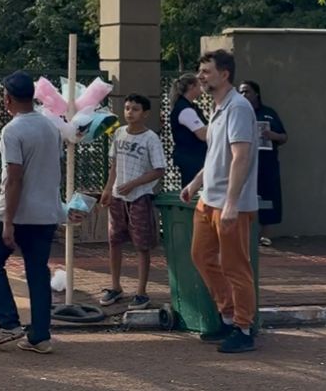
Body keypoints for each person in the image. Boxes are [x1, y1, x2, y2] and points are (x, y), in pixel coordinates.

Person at [0, 71, 68, 354]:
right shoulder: (51, 127)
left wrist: (8, 222)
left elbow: (14, 177)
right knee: (37, 272)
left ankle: (8, 322)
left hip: (17, 211)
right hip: (45, 212)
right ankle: (40, 335)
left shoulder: (12, 131)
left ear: (7, 99)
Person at [181, 49, 260, 354]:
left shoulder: (238, 108)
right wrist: (195, 183)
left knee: (235, 266)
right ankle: (227, 317)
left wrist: (232, 202)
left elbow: (240, 157)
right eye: (200, 71)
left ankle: (243, 327)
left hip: (229, 203)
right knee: (202, 256)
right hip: (208, 199)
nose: (200, 76)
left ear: (224, 74)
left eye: (206, 71)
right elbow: (216, 155)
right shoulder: (217, 108)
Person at [98, 94, 166, 310]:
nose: (130, 112)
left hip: (140, 196)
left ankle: (141, 291)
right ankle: (115, 286)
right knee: (114, 240)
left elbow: (158, 170)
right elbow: (115, 164)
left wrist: (135, 183)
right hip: (119, 196)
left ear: (145, 113)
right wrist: (108, 188)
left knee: (141, 244)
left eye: (135, 109)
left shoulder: (150, 139)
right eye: (127, 108)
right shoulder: (119, 134)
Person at [238, 81, 287, 247]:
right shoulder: (239, 113)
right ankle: (245, 234)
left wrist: (273, 135)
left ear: (256, 94)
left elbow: (284, 136)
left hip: (267, 162)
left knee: (269, 195)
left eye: (247, 92)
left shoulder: (269, 113)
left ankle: (265, 235)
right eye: (241, 92)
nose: (244, 95)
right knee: (245, 195)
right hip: (245, 161)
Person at [168, 74, 208, 185]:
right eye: (199, 84)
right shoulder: (185, 109)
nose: (202, 88)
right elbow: (203, 134)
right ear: (191, 86)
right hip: (192, 158)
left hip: (193, 157)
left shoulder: (189, 107)